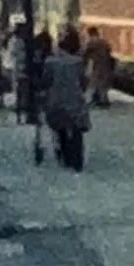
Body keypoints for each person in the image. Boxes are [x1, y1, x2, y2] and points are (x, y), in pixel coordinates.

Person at [41, 27, 89, 171]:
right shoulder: (78, 62)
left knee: (60, 127)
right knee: (77, 129)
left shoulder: (50, 62)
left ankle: (64, 156)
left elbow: (46, 81)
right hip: (75, 100)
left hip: (56, 100)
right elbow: (83, 81)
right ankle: (77, 159)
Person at [82, 26, 114, 108]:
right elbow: (109, 53)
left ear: (90, 34)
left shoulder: (91, 43)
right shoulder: (104, 42)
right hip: (105, 66)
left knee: (92, 84)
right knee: (102, 85)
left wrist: (86, 65)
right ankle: (104, 101)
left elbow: (86, 55)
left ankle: (89, 101)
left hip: (96, 66)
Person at [8, 22, 29, 123]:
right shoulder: (19, 41)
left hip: (16, 68)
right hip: (20, 68)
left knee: (18, 90)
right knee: (21, 90)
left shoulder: (12, 41)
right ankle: (20, 110)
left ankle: (19, 112)